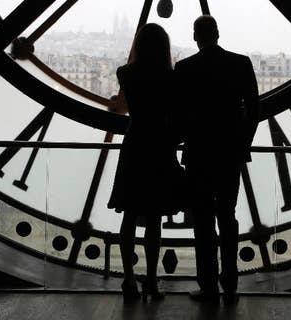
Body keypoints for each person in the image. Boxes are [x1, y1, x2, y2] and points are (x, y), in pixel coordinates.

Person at [174, 15, 259, 305]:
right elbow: (254, 109)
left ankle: (208, 285)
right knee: (227, 215)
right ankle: (230, 282)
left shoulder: (185, 69)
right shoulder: (241, 63)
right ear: (218, 34)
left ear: (195, 36)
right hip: (229, 153)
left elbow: (179, 115)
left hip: (199, 154)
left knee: (203, 221)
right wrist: (242, 142)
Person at [107, 23, 185, 303]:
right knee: (154, 220)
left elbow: (124, 106)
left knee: (129, 215)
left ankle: (129, 279)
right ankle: (151, 279)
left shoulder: (125, 73)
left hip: (135, 144)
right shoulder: (170, 77)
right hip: (160, 146)